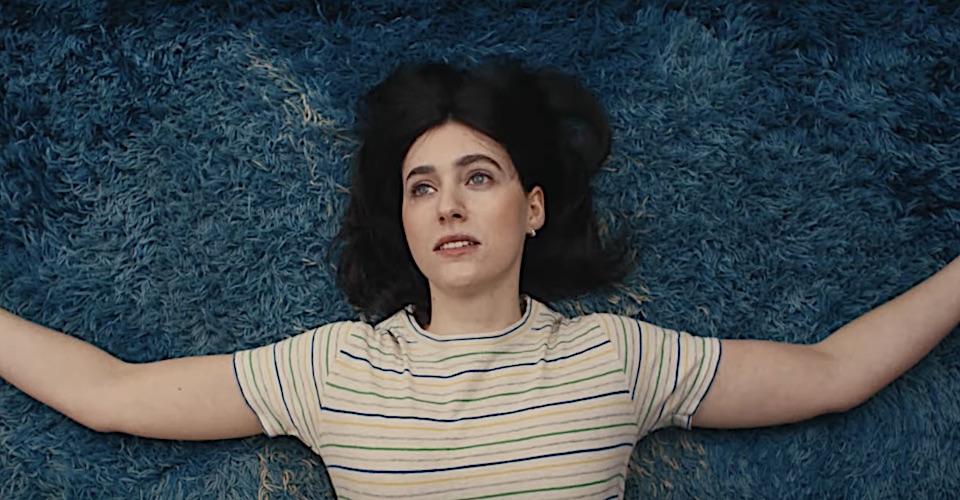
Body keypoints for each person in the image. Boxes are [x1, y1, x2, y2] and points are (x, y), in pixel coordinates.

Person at [1, 60, 958, 499]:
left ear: (532, 208)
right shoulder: (332, 371)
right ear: (404, 221)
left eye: (479, 178)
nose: (449, 205)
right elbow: (109, 393)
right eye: (422, 188)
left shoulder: (616, 357)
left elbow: (833, 374)